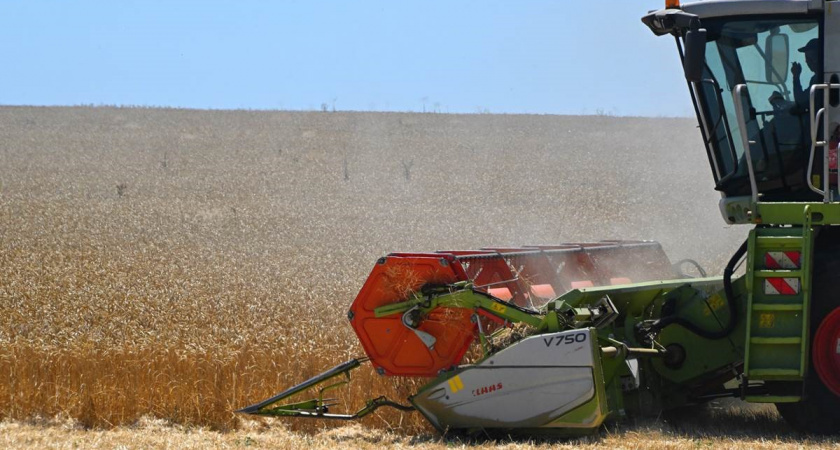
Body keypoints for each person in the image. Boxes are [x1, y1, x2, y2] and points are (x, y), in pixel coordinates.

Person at [792, 38, 820, 110]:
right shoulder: (815, 78)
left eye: (812, 57)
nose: (808, 61)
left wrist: (796, 76)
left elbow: (801, 101)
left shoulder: (819, 79)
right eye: (807, 58)